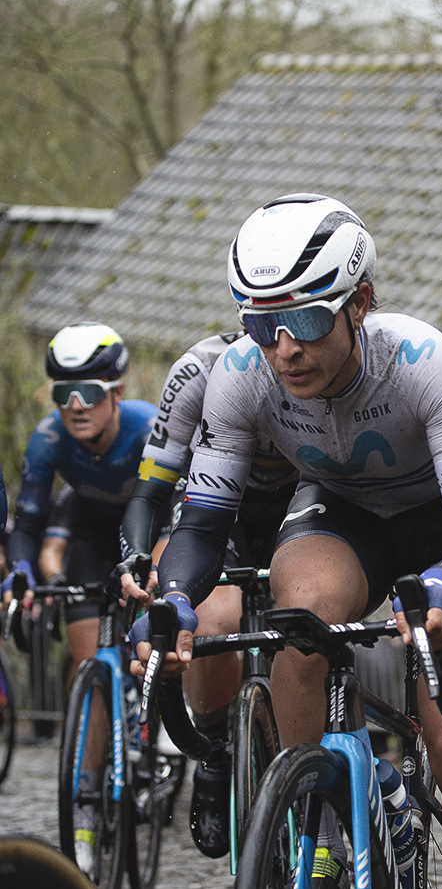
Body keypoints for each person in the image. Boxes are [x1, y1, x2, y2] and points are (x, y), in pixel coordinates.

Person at [132, 193, 442, 889]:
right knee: (295, 620)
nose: (284, 347)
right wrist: (170, 600)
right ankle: (314, 831)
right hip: (345, 515)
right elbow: (201, 527)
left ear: (359, 303)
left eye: (307, 320)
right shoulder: (245, 374)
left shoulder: (424, 361)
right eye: (262, 322)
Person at [118, 332, 298, 858]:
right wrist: (135, 556)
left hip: (305, 501)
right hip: (219, 506)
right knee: (213, 621)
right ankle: (216, 751)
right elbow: (149, 490)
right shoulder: (199, 368)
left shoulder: (322, 358)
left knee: (312, 623)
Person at [2, 324, 156, 873]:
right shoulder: (48, 439)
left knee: (155, 630)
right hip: (91, 538)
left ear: (116, 391)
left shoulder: (147, 427)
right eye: (61, 393)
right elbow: (30, 520)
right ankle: (87, 794)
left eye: (88, 392)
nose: (74, 405)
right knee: (92, 665)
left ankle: (153, 726)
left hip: (149, 529)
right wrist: (21, 568)